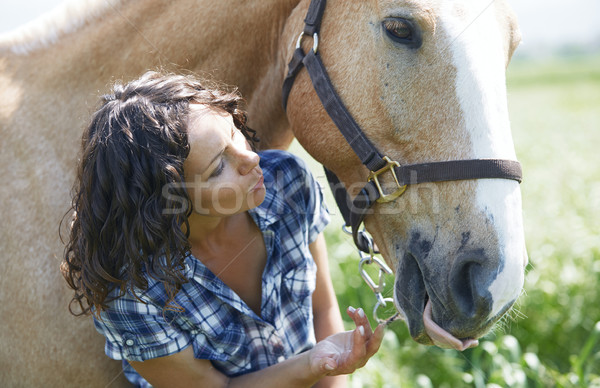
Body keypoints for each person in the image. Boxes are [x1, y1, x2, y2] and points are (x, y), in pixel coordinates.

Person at [61, 71, 384, 388]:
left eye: (233, 133)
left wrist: (329, 369)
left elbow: (321, 308)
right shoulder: (132, 292)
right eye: (218, 167)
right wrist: (312, 365)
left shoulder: (288, 182)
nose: (250, 158)